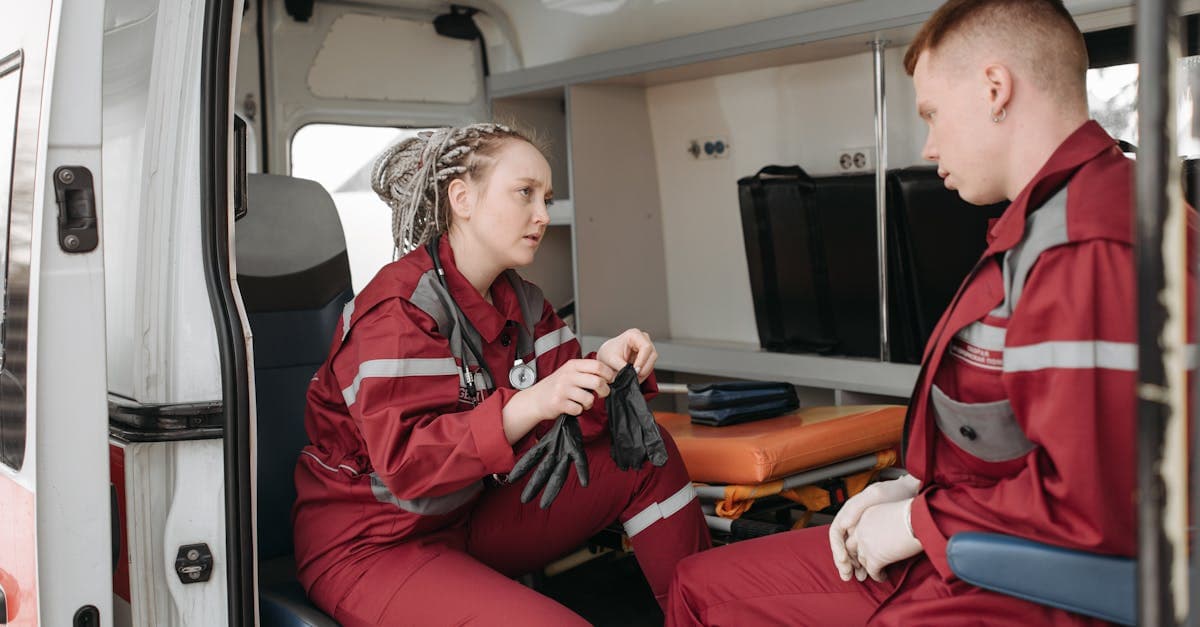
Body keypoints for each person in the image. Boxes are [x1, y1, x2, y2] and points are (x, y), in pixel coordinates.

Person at [666, 1, 1174, 624]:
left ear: (995, 88)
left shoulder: (1087, 247)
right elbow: (1041, 435)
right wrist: (915, 487)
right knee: (696, 581)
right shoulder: (1060, 224)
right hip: (977, 536)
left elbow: (1097, 500)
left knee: (704, 594)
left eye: (931, 114)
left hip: (1022, 583)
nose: (929, 145)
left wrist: (918, 520)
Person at [292, 123, 710, 626]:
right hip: (371, 545)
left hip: (467, 515)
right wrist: (530, 404)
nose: (542, 216)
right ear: (462, 199)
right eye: (524, 194)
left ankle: (707, 615)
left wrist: (609, 369)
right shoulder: (397, 311)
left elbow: (580, 418)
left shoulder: (522, 301)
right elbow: (407, 467)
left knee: (646, 457)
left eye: (547, 199)